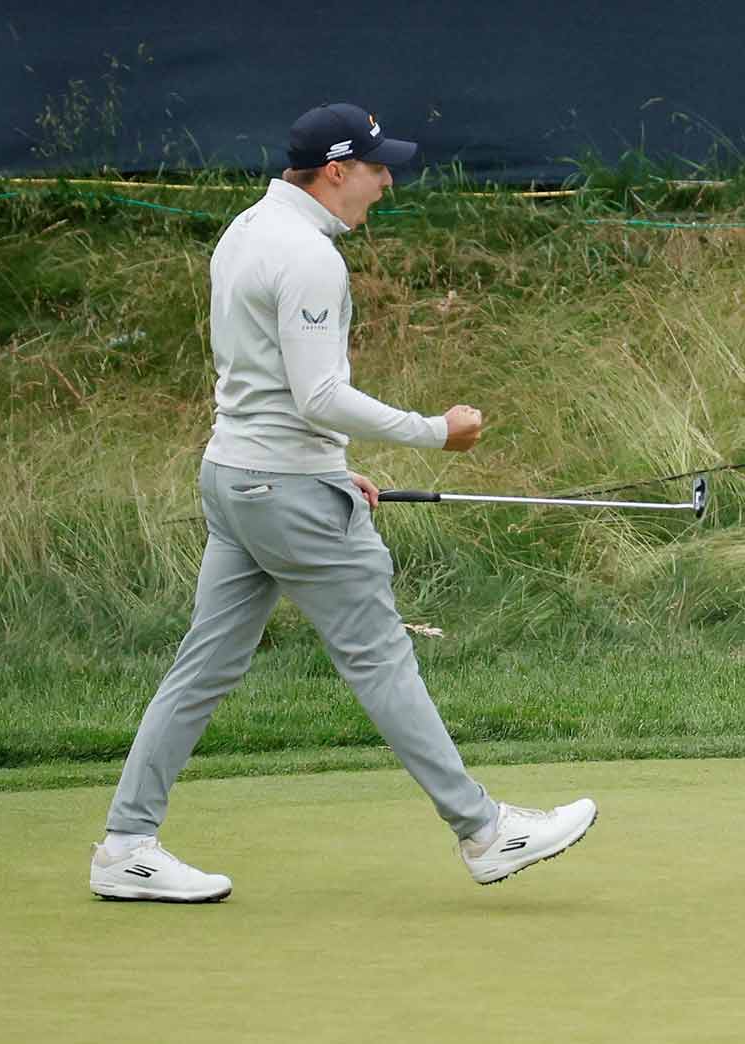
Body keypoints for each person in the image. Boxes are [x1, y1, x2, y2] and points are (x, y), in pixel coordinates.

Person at [89, 103, 596, 902]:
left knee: (204, 668)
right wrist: (435, 432)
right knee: (380, 657)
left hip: (237, 478)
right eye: (376, 167)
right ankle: (486, 832)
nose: (387, 182)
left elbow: (271, 389)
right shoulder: (309, 257)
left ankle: (125, 845)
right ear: (335, 171)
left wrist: (329, 466)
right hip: (282, 489)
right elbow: (320, 394)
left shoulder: (248, 228)